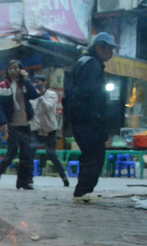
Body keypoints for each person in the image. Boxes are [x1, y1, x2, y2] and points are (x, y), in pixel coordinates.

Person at [66, 32, 119, 202]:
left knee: (90, 155)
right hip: (88, 121)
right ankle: (83, 192)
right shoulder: (91, 65)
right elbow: (89, 96)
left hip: (81, 119)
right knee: (94, 156)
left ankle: (83, 191)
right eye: (109, 48)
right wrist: (96, 119)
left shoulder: (84, 62)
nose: (111, 53)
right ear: (99, 47)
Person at [0, 59, 40, 190]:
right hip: (12, 125)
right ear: (7, 71)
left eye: (16, 68)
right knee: (11, 153)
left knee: (27, 154)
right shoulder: (2, 86)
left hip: (25, 124)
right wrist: (3, 123)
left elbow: (34, 95)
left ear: (21, 70)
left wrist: (27, 79)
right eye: (10, 68)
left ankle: (24, 182)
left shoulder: (24, 84)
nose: (13, 71)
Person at [29, 75, 69, 187]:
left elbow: (48, 107)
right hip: (36, 129)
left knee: (52, 154)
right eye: (35, 82)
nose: (37, 84)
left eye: (39, 82)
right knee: (30, 152)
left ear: (45, 82)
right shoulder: (32, 96)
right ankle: (29, 179)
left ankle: (64, 177)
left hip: (50, 129)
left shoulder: (51, 94)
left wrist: (40, 95)